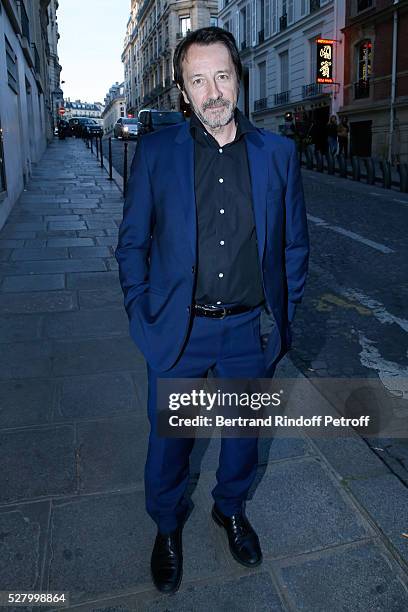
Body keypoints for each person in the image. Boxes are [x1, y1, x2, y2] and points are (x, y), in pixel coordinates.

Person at [115, 26, 309, 595]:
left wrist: (284, 315)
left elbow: (294, 245)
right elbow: (131, 244)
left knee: (243, 439)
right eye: (198, 80)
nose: (213, 91)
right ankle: (167, 526)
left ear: (238, 80)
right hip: (179, 331)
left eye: (221, 76)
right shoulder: (156, 152)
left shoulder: (279, 154)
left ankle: (229, 509)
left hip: (249, 330)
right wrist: (139, 311)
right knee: (169, 447)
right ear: (183, 91)